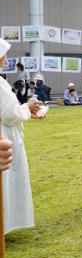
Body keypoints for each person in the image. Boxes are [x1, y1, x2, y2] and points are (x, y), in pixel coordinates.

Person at [0, 37, 43, 234]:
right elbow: (10, 114)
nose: (5, 58)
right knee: (8, 177)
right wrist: (28, 107)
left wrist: (25, 110)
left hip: (7, 130)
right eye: (2, 55)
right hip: (5, 134)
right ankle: (5, 222)